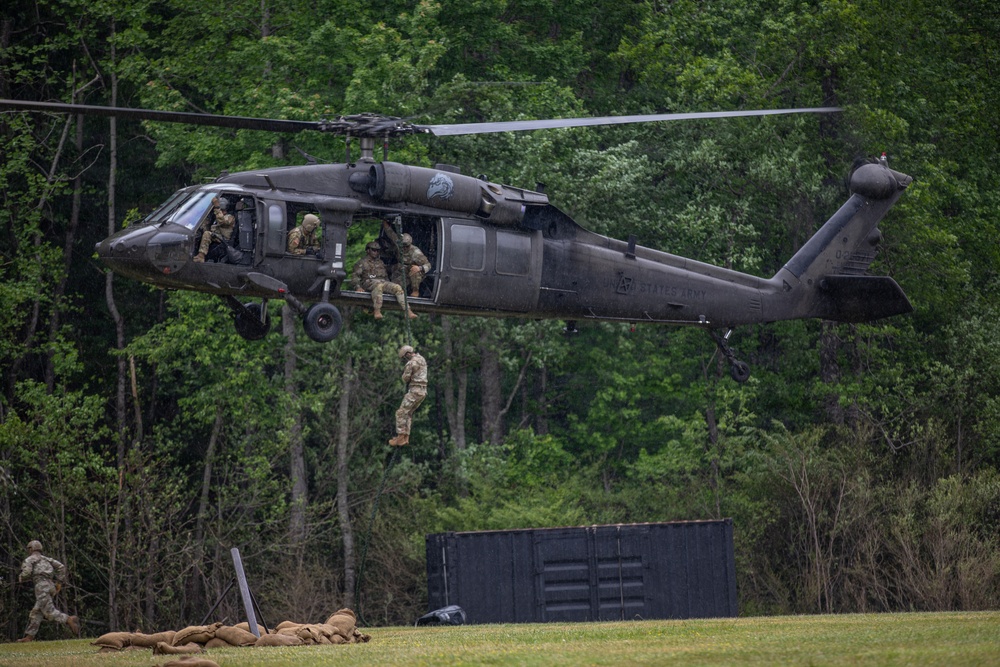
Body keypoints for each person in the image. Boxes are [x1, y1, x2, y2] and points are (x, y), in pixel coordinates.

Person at [17, 540, 80, 641]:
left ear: (30, 549)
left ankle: (68, 619)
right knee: (36, 612)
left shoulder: (29, 560)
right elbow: (61, 567)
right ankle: (29, 637)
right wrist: (59, 582)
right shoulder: (47, 559)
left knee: (49, 612)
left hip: (41, 587)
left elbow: (27, 573)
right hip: (51, 586)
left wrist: (21, 577)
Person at [352, 241, 417, 320]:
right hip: (368, 282)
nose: (376, 252)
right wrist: (357, 287)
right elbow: (355, 276)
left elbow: (387, 273)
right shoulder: (362, 263)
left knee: (397, 287)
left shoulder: (380, 262)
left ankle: (408, 311)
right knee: (378, 286)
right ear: (368, 250)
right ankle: (377, 310)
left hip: (383, 282)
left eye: (378, 250)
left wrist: (399, 267)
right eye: (374, 250)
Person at [389, 344, 428, 447]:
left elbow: (405, 378)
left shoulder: (411, 363)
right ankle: (406, 437)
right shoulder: (422, 359)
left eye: (404, 357)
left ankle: (401, 436)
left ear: (408, 354)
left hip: (414, 391)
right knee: (408, 413)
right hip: (423, 392)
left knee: (401, 413)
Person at [383, 220, 431, 297]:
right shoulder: (398, 243)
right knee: (392, 285)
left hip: (411, 272)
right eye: (403, 246)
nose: (404, 248)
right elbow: (390, 233)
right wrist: (384, 222)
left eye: (406, 246)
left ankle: (415, 291)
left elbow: (428, 265)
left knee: (415, 272)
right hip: (400, 268)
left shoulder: (416, 253)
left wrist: (420, 268)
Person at [193, 196, 236, 262]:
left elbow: (221, 221)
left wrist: (217, 207)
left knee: (207, 234)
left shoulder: (230, 217)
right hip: (216, 235)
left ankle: (201, 256)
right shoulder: (216, 217)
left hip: (223, 239)